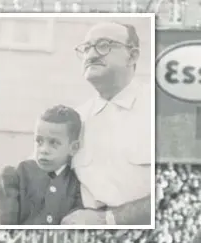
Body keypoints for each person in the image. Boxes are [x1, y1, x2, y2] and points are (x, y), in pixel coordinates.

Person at [61, 21, 152, 227]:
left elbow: (172, 195)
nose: (91, 55)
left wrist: (109, 219)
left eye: (104, 45)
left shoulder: (159, 109)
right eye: (86, 48)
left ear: (133, 55)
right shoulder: (76, 119)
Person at [0, 105, 83, 226]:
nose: (43, 150)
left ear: (73, 148)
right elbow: (6, 226)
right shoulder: (17, 176)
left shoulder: (76, 184)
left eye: (54, 143)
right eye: (39, 141)